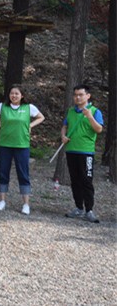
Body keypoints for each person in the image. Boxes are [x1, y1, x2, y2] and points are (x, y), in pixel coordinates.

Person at [0, 85, 45, 215]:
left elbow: (41, 117)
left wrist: (30, 125)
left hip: (22, 145)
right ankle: (2, 201)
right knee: (3, 172)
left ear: (22, 95)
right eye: (12, 93)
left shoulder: (28, 107)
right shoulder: (2, 106)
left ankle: (26, 204)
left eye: (17, 93)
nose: (14, 96)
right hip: (5, 144)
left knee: (23, 173)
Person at [61, 84, 103, 223]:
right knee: (75, 180)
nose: (78, 97)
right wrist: (63, 136)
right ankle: (79, 207)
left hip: (86, 151)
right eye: (75, 95)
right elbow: (65, 125)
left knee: (86, 180)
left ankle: (89, 210)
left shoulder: (95, 111)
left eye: (81, 95)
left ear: (87, 96)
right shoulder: (71, 111)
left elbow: (99, 129)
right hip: (71, 150)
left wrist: (89, 116)